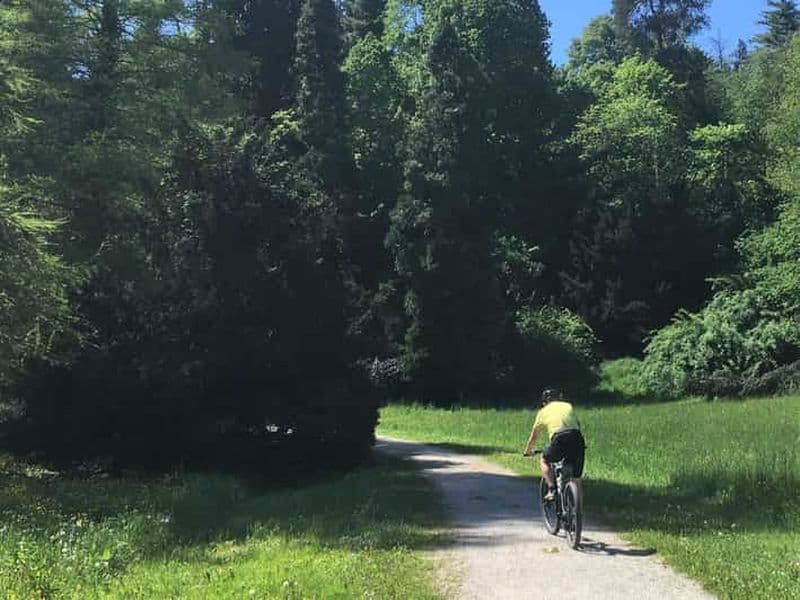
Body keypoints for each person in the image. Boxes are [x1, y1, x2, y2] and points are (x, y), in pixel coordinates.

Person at [522, 388, 586, 501]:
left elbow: (534, 435)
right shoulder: (567, 406)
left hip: (559, 438)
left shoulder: (543, 412)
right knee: (576, 479)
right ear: (560, 398)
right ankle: (578, 512)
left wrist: (527, 451)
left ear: (544, 402)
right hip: (577, 437)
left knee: (544, 459)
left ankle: (552, 489)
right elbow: (577, 424)